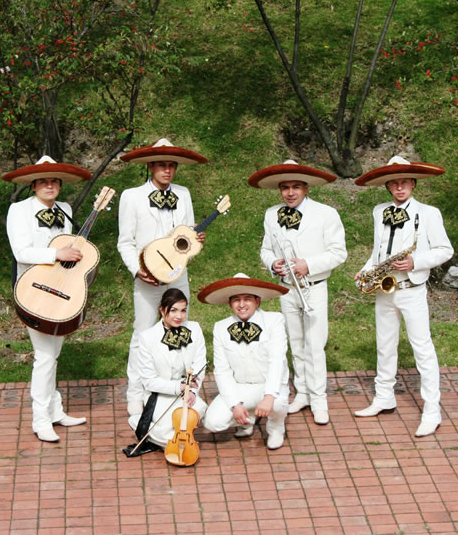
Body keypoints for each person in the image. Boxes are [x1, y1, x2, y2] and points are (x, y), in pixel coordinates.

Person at [353, 155, 454, 437]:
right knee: (385, 346)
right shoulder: (379, 211)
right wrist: (365, 270)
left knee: (422, 348)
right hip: (385, 289)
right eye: (394, 183)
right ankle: (384, 397)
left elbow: (445, 250)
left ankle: (432, 410)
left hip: (412, 290)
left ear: (413, 183)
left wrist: (416, 261)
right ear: (387, 186)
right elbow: (378, 251)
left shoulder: (429, 213)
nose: (399, 188)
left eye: (404, 182)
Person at [250, 160, 347, 426]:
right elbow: (266, 249)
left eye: (295, 187)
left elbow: (339, 252)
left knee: (315, 345)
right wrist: (273, 263)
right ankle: (302, 392)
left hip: (313, 287)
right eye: (284, 188)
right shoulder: (272, 214)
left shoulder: (326, 214)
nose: (290, 193)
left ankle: (319, 399)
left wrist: (309, 265)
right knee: (295, 342)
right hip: (287, 288)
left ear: (306, 188)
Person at [117, 138, 208, 418]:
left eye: (171, 165)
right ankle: (136, 392)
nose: (167, 170)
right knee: (142, 333)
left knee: (180, 329)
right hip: (147, 278)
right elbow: (125, 242)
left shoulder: (184, 193)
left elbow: (187, 232)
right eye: (161, 165)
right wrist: (137, 270)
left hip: (178, 276)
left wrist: (195, 239)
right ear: (150, 166)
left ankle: (182, 387)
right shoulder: (131, 196)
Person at [3, 155, 91, 443]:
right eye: (43, 181)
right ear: (33, 185)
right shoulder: (18, 210)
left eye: (54, 180)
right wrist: (56, 254)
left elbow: (71, 247)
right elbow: (21, 252)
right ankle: (40, 419)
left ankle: (55, 410)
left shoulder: (64, 209)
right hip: (33, 291)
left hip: (61, 289)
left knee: (53, 354)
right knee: (43, 356)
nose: (49, 185)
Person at [198, 274, 291, 450]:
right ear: (229, 303)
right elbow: (222, 371)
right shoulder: (220, 327)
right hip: (241, 386)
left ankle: (276, 428)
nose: (241, 305)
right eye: (236, 300)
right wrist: (235, 404)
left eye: (247, 299)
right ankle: (247, 421)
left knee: (277, 403)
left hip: (269, 384)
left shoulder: (274, 320)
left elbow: (277, 361)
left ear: (257, 301)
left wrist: (269, 396)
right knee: (212, 422)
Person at [124, 288, 208, 456]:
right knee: (172, 437)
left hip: (186, 393)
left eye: (183, 310)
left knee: (200, 407)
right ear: (162, 310)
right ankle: (140, 423)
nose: (179, 316)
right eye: (173, 310)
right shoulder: (147, 337)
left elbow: (200, 365)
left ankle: (162, 434)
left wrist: (191, 391)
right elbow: (148, 380)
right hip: (159, 394)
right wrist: (179, 387)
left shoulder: (195, 329)